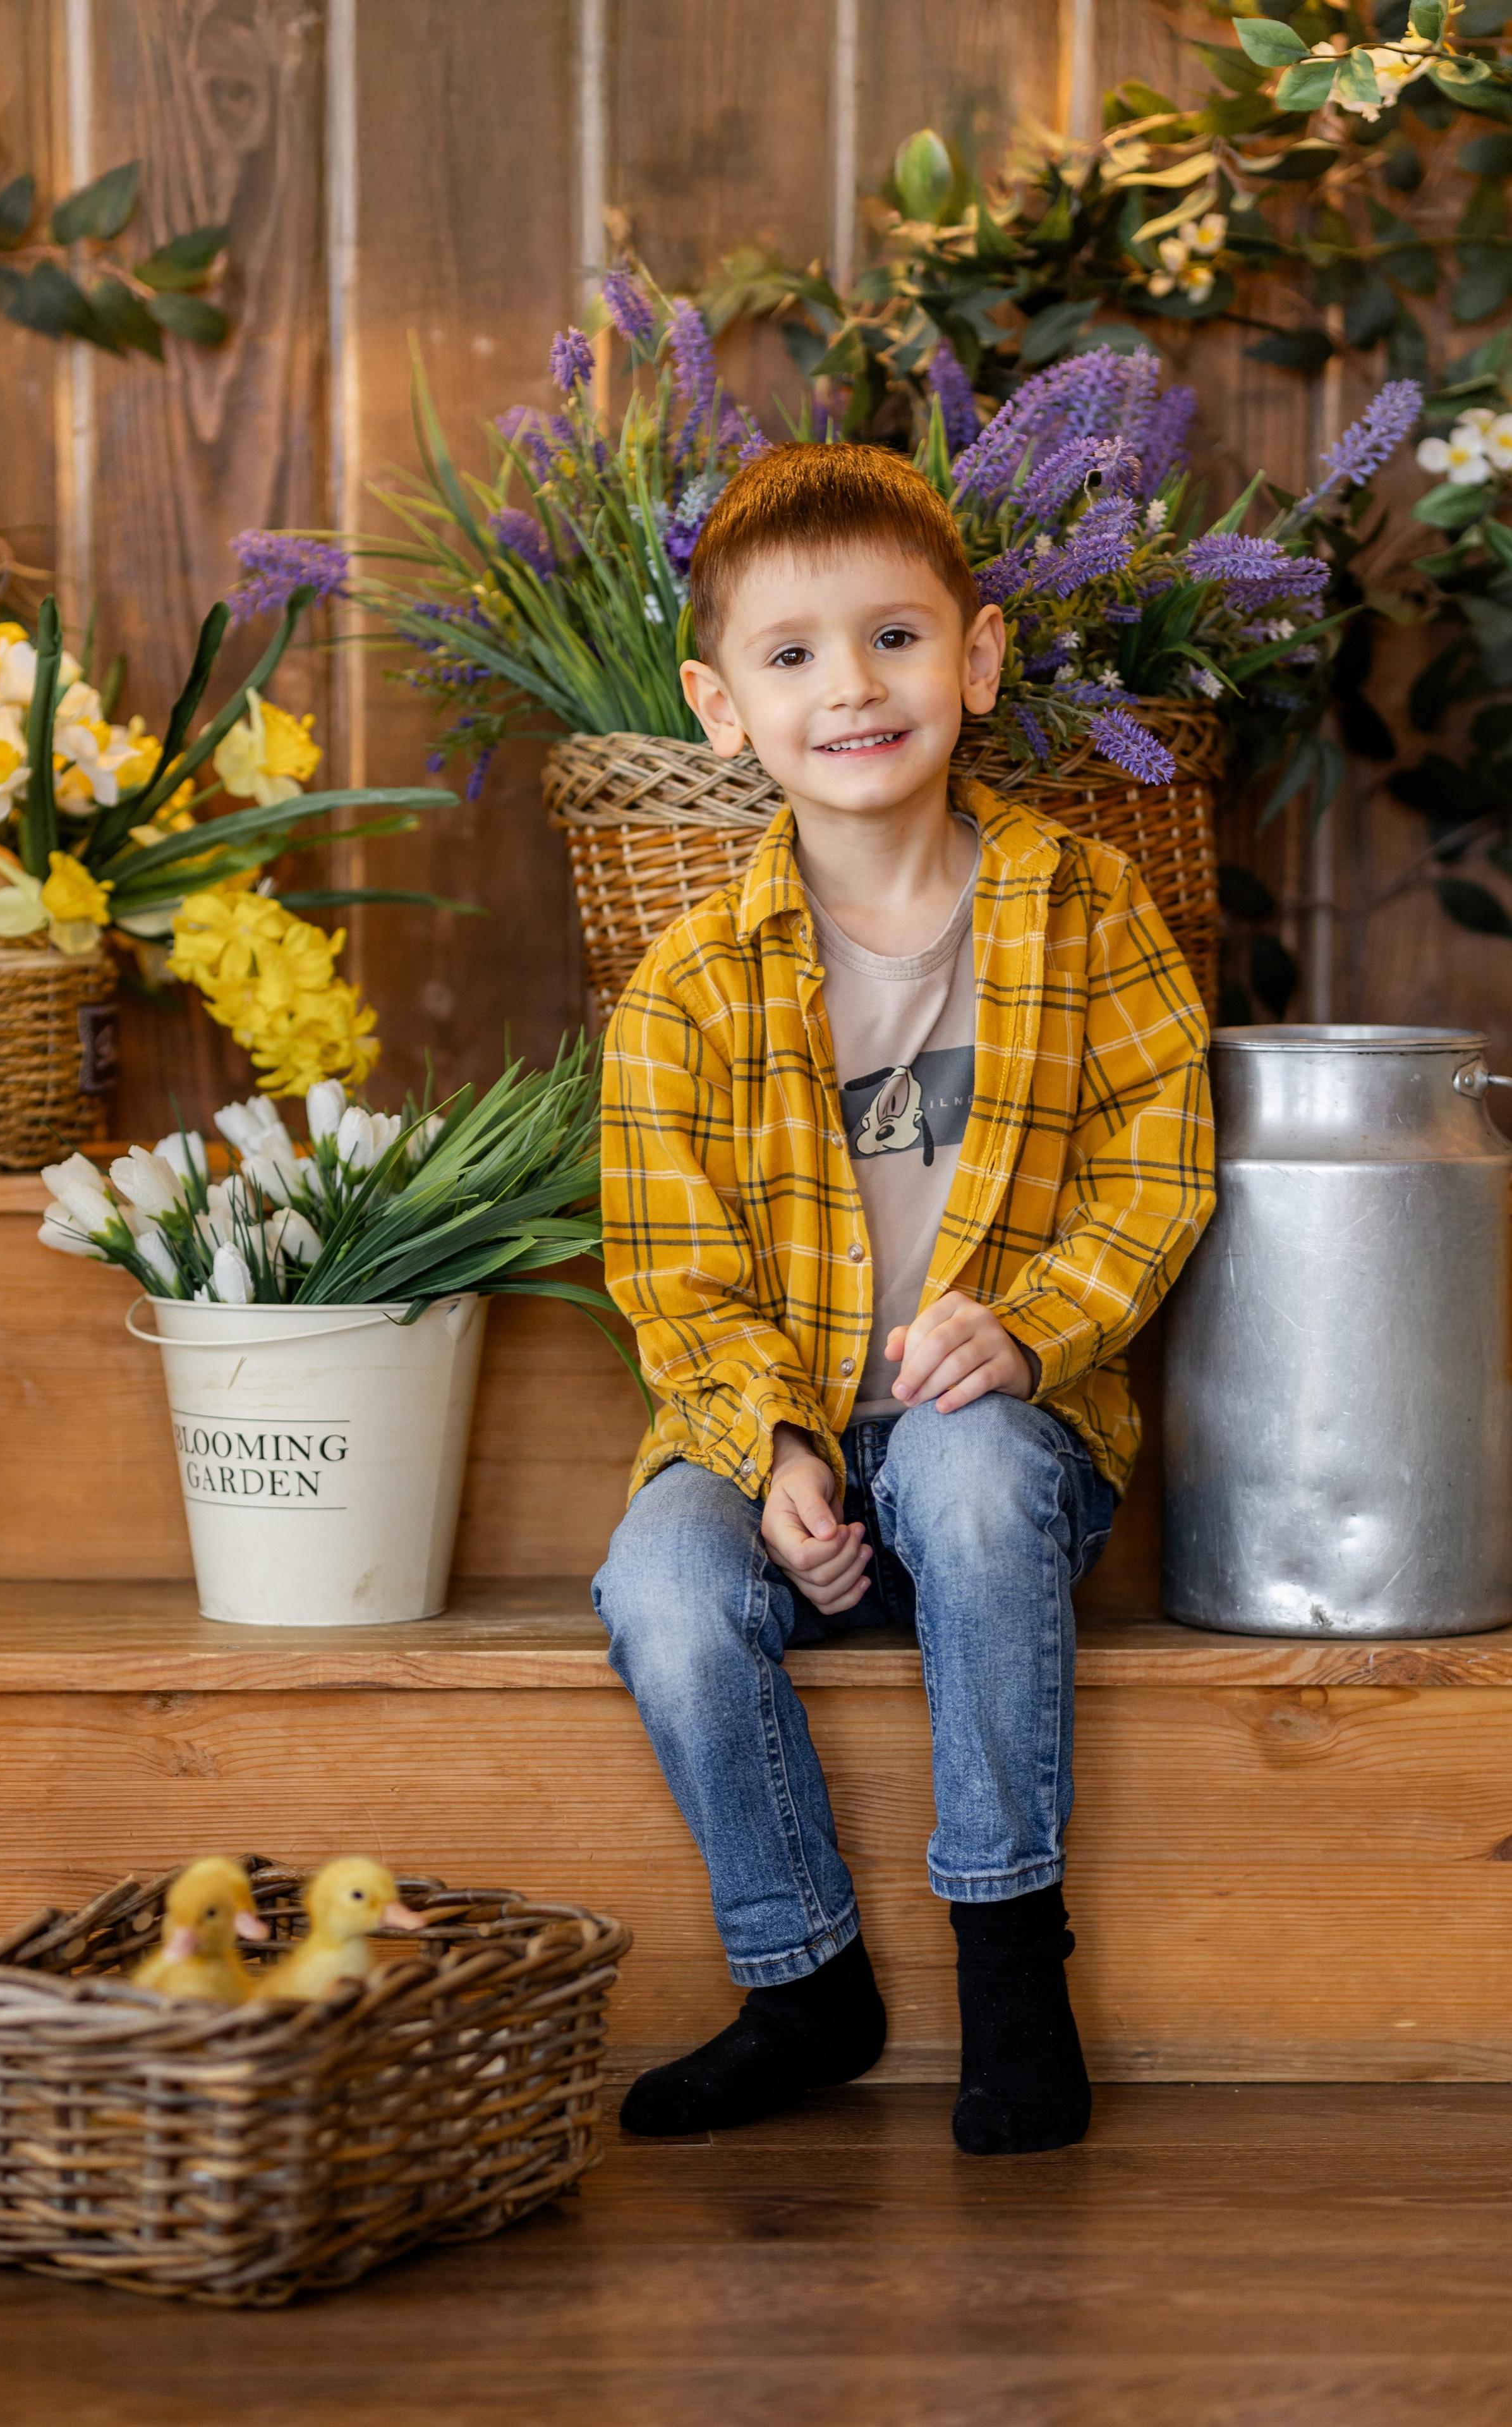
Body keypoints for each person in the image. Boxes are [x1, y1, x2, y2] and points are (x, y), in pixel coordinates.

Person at [594, 442, 1214, 2154]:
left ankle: (1012, 1956)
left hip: (1003, 1447)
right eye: (792, 657)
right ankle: (806, 1983)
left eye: (894, 638)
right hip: (779, 1448)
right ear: (723, 708)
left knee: (964, 1464)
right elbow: (674, 1269)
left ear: (981, 658)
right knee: (655, 1577)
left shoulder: (1088, 914)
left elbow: (1153, 1177)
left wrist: (1031, 1328)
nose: (851, 688)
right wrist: (770, 1442)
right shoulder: (689, 987)